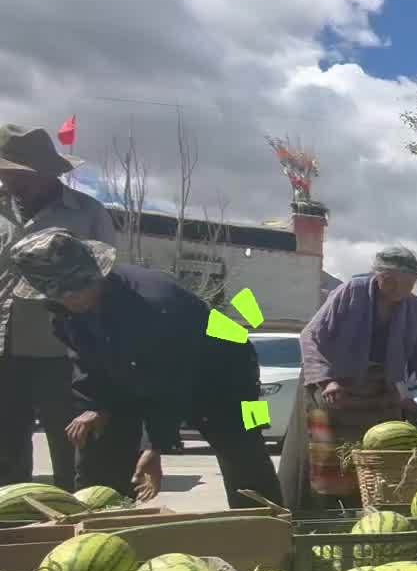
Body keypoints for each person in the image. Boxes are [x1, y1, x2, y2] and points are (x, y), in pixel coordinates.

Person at [4, 230, 281, 507]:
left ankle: (269, 527)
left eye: (75, 291)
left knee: (244, 450)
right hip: (141, 375)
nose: (71, 301)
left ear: (93, 275)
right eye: (61, 295)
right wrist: (97, 405)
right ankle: (101, 523)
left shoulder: (156, 303)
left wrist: (156, 446)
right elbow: (86, 361)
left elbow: (173, 378)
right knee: (99, 438)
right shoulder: (66, 313)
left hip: (229, 373)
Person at [281, 247, 417, 510]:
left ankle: (367, 510)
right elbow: (310, 336)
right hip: (333, 386)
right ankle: (319, 517)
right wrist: (327, 381)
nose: (398, 289)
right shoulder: (351, 291)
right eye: (391, 281)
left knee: (375, 455)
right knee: (327, 459)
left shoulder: (411, 307)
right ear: (379, 276)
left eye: (406, 284)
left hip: (377, 390)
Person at [0, 125, 114, 489]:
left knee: (73, 454)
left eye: (22, 178)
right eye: (6, 176)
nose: (12, 185)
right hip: (4, 353)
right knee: (6, 454)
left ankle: (71, 526)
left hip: (65, 354)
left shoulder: (87, 214)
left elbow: (105, 283)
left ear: (49, 174)